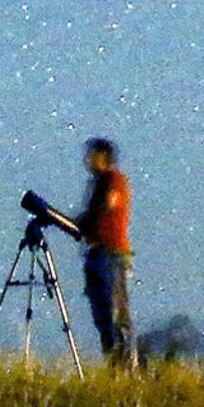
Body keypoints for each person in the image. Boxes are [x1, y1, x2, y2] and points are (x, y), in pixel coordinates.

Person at [75, 137, 134, 366]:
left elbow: (106, 206)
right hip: (98, 252)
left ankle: (126, 366)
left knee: (115, 313)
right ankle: (113, 363)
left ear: (103, 157)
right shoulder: (98, 183)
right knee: (102, 314)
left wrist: (82, 223)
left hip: (111, 254)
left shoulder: (113, 180)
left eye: (92, 155)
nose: (87, 160)